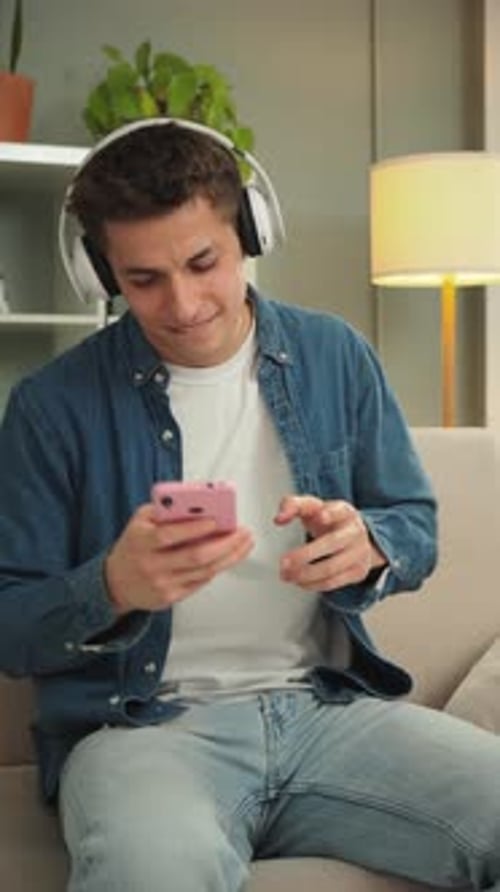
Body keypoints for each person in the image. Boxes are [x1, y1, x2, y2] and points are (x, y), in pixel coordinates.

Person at [0, 119, 499, 892]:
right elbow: (10, 627)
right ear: (102, 274)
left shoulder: (335, 355)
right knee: (153, 872)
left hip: (323, 713)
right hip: (141, 731)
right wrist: (112, 588)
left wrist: (370, 542)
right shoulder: (49, 407)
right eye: (144, 280)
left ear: (251, 231)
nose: (185, 303)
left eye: (204, 262)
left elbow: (414, 526)